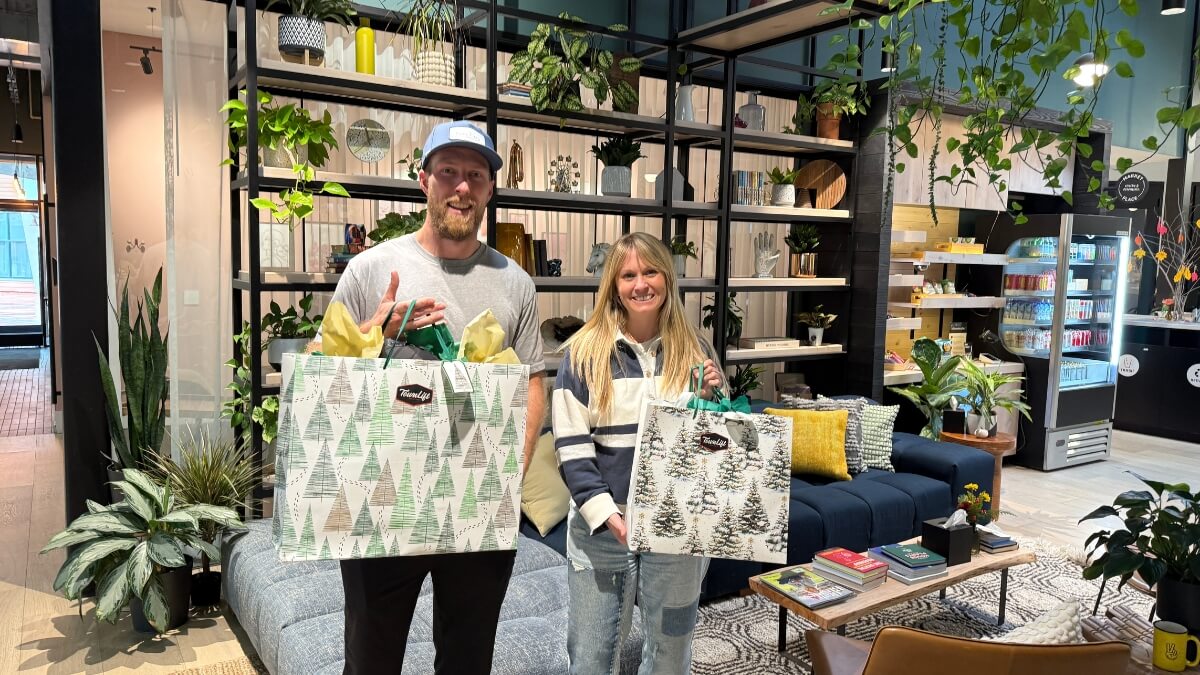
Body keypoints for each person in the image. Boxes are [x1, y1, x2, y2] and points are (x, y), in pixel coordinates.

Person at [320, 120, 546, 675]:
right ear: (424, 180)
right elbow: (326, 379)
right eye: (449, 172)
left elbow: (532, 382)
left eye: (476, 174)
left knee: (468, 659)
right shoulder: (370, 269)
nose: (462, 187)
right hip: (382, 501)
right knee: (371, 657)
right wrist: (374, 331)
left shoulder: (516, 282)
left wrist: (510, 475)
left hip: (478, 503)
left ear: (491, 188)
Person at [552, 231, 723, 675]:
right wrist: (610, 517)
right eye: (628, 275)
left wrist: (712, 400)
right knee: (591, 659)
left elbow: (710, 447)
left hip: (678, 532)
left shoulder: (696, 349)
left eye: (650, 271)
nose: (640, 284)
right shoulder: (583, 354)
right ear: (613, 285)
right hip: (602, 535)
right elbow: (571, 448)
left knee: (671, 656)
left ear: (667, 278)